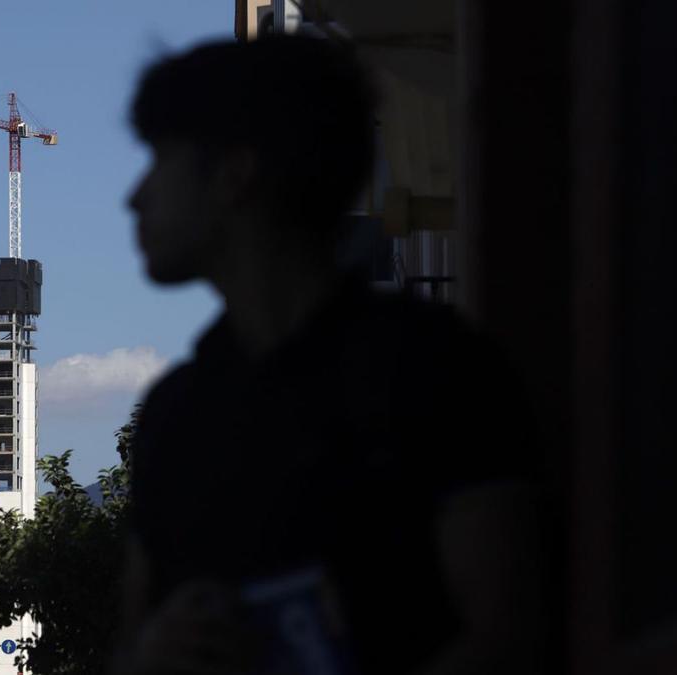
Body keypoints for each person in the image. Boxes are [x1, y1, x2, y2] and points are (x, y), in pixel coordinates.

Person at [113, 34, 552, 675]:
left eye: (160, 159)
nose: (136, 196)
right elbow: (127, 644)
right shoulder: (173, 414)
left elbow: (512, 640)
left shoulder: (436, 373)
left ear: (236, 173)